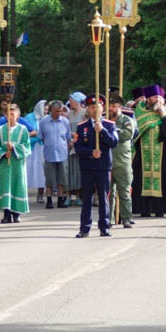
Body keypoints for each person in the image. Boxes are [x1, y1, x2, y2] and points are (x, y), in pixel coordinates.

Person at [74, 94, 118, 237]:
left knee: (103, 197)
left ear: (102, 108)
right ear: (88, 109)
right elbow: (78, 148)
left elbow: (113, 142)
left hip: (103, 167)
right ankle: (84, 228)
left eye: (97, 107)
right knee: (87, 198)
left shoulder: (109, 125)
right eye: (92, 107)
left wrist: (103, 131)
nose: (94, 110)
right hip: (87, 167)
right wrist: (91, 152)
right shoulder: (82, 127)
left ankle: (104, 227)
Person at [134, 85, 166, 217]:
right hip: (142, 153)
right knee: (142, 178)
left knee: (162, 178)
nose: (157, 99)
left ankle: (160, 208)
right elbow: (136, 130)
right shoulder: (140, 112)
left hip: (162, 152)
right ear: (148, 99)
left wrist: (163, 116)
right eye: (154, 97)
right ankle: (144, 209)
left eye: (159, 97)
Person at [0, 103, 31, 223]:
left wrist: (14, 148)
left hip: (18, 164)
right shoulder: (0, 129)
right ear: (5, 115)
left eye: (13, 114)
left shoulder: (23, 130)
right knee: (5, 186)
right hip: (5, 164)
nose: (11, 117)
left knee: (17, 185)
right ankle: (7, 213)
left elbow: (27, 146)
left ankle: (17, 213)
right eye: (8, 114)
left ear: (18, 115)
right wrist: (4, 153)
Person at [108, 93, 135, 228]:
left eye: (113, 106)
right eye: (109, 106)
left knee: (124, 192)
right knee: (109, 193)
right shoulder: (105, 120)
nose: (111, 109)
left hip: (122, 162)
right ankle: (109, 219)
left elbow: (127, 135)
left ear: (119, 107)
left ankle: (126, 218)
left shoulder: (126, 120)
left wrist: (113, 130)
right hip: (107, 162)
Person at [39, 100, 72, 208]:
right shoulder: (43, 121)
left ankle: (60, 199)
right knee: (49, 179)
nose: (58, 113)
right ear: (51, 110)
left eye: (60, 111)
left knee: (62, 178)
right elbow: (41, 137)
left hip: (62, 153)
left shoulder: (65, 122)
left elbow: (68, 137)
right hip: (49, 153)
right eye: (56, 111)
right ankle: (49, 200)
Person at [66, 92, 87, 205]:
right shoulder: (69, 114)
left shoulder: (84, 113)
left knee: (78, 170)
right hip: (69, 143)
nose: (70, 103)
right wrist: (69, 138)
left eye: (72, 100)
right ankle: (69, 195)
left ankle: (79, 195)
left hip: (80, 143)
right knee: (69, 170)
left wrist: (77, 137)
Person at [28, 100, 47, 203]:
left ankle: (40, 194)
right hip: (31, 147)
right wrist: (36, 137)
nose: (46, 111)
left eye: (47, 109)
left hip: (42, 147)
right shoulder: (29, 117)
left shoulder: (46, 119)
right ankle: (24, 194)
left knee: (41, 171)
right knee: (28, 169)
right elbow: (27, 131)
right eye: (44, 108)